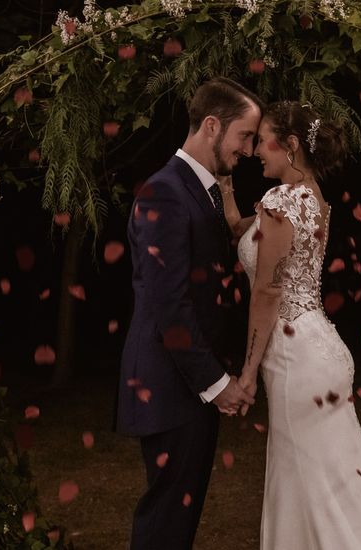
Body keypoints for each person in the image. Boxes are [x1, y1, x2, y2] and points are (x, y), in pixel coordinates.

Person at [224, 100, 361, 549]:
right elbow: (241, 231)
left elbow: (267, 292)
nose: (257, 150)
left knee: (312, 490)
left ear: (291, 145)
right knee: (337, 485)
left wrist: (246, 374)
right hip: (321, 348)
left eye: (263, 140)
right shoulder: (312, 197)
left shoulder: (281, 202)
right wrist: (224, 188)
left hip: (295, 359)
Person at [116, 77, 260, 550]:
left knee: (180, 519)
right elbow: (170, 306)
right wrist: (217, 386)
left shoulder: (205, 191)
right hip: (170, 386)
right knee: (165, 524)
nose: (250, 149)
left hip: (187, 385)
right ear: (212, 125)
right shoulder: (165, 193)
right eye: (245, 136)